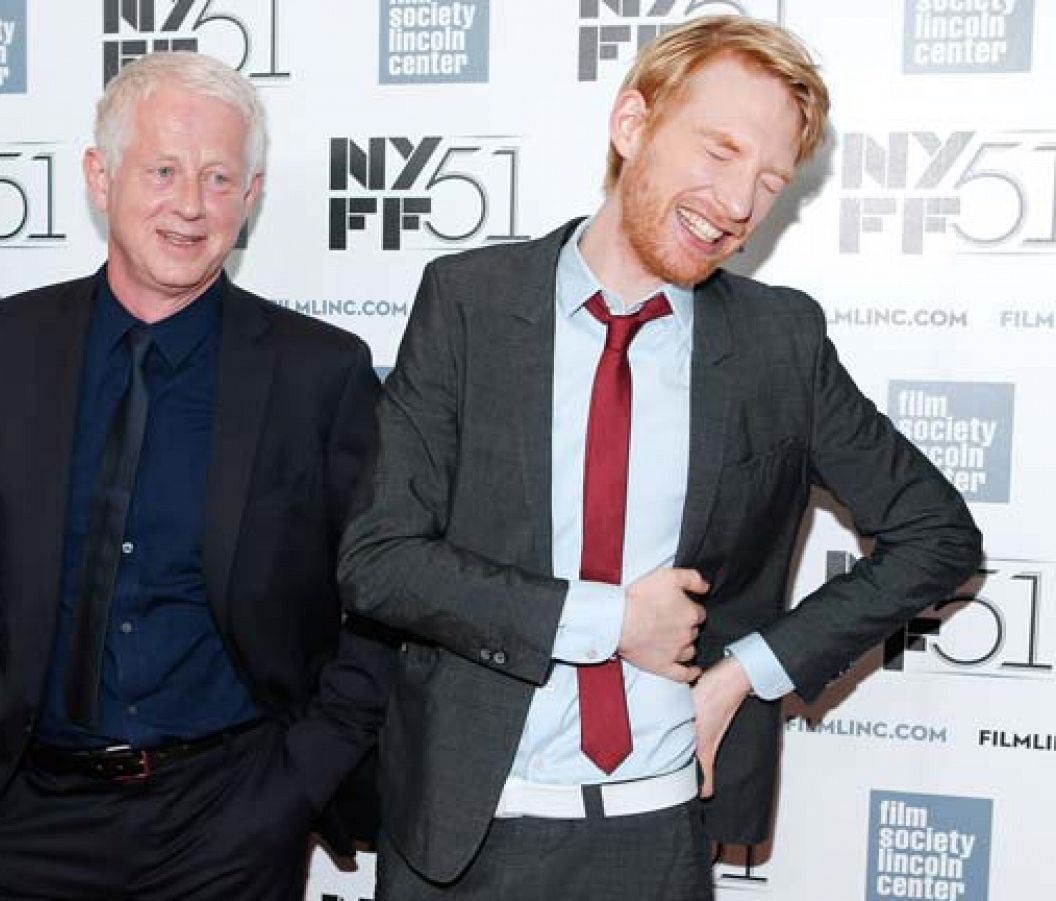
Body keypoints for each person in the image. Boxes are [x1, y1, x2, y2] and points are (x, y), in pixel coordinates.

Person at [337, 16, 981, 900]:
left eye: (769, 181)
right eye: (720, 150)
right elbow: (379, 562)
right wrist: (610, 621)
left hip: (658, 837)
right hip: (459, 835)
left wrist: (748, 671)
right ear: (632, 123)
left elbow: (938, 535)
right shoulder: (470, 302)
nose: (739, 204)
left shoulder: (778, 342)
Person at [0, 51, 392, 900]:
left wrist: (297, 782)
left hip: (231, 818)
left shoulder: (319, 373)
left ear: (251, 197)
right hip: (31, 815)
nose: (190, 205)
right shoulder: (9, 344)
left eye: (220, 178)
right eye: (164, 170)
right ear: (100, 176)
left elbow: (383, 598)